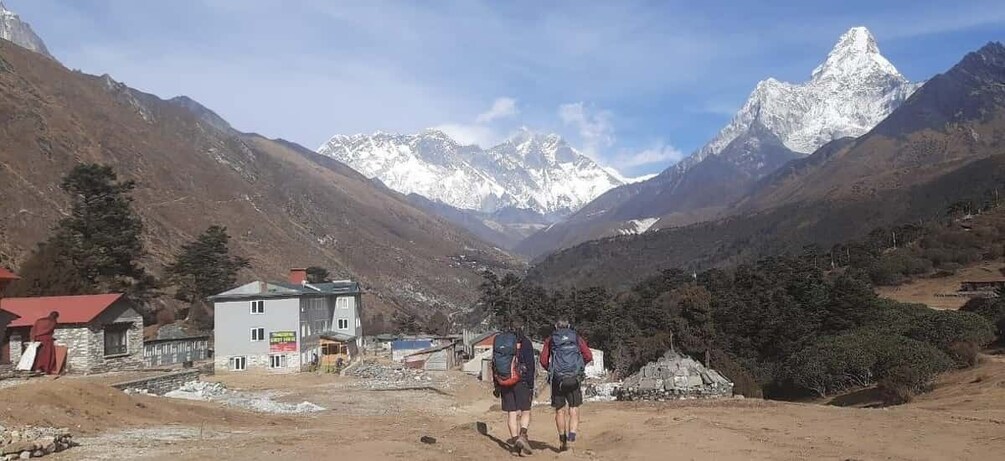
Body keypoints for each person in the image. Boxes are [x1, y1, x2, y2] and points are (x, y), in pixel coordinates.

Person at [540, 319, 592, 452]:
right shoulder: (576, 337)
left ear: (556, 327)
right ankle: (572, 436)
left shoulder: (551, 340)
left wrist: (552, 370)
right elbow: (588, 355)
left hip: (558, 380)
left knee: (560, 410)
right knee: (574, 408)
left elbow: (543, 360)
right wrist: (579, 368)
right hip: (574, 378)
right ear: (569, 326)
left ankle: (562, 438)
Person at [492, 324, 535, 455]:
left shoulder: (499, 341)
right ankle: (523, 434)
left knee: (511, 413)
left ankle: (515, 442)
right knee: (525, 411)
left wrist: (497, 384)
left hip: (505, 380)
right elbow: (530, 364)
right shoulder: (525, 342)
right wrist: (531, 384)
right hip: (521, 381)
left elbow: (493, 363)